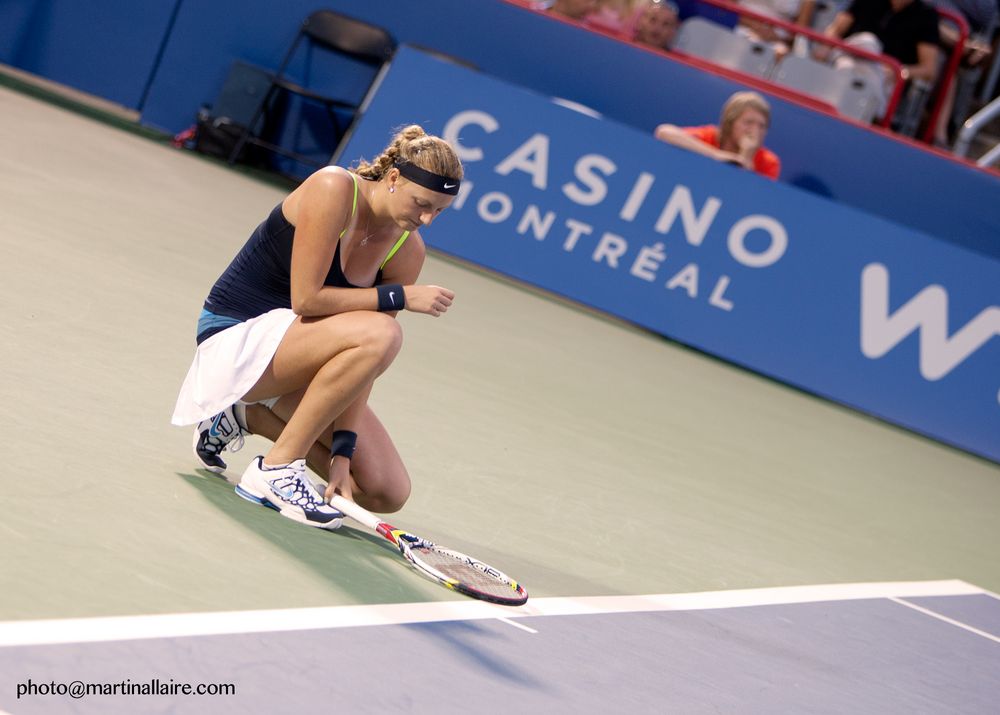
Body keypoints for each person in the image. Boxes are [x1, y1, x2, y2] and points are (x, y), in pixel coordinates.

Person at [172, 126, 462, 529]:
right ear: (394, 179)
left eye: (439, 211)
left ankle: (241, 415)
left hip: (297, 357)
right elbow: (306, 300)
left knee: (382, 489)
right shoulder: (333, 188)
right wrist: (400, 297)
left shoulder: (407, 249)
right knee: (385, 331)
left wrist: (342, 453)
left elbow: (369, 363)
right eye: (422, 203)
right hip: (235, 339)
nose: (427, 219)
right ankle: (275, 471)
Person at [817, 0, 942, 117]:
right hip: (848, 58)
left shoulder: (926, 15)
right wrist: (825, 47)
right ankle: (867, 110)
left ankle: (859, 107)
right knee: (865, 45)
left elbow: (928, 70)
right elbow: (836, 29)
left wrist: (898, 72)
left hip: (885, 79)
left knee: (861, 59)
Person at [654, 91, 782, 179]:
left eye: (762, 126)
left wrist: (745, 156)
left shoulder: (769, 162)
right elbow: (664, 132)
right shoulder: (710, 135)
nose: (755, 131)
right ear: (730, 122)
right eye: (748, 123)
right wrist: (717, 155)